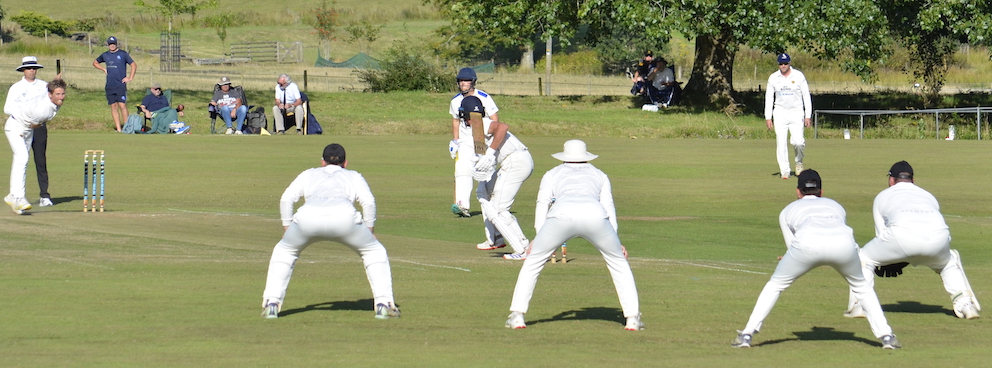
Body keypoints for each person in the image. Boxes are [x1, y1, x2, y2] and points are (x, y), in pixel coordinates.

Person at [732, 169, 900, 349]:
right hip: (843, 245)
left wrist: (795, 258)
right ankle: (887, 336)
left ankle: (747, 335)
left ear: (798, 192)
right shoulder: (836, 206)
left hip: (806, 246)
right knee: (862, 287)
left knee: (775, 286)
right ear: (821, 192)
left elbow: (792, 246)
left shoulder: (787, 210)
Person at [505, 140, 642, 330]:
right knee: (618, 262)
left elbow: (542, 203)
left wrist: (538, 236)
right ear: (585, 157)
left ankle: (517, 315)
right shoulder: (600, 175)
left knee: (533, 261)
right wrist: (616, 241)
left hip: (560, 216)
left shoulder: (552, 174)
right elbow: (609, 206)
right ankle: (633, 318)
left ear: (564, 156)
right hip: (595, 216)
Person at [261, 144, 400, 320]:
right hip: (345, 218)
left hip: (307, 218)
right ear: (345, 163)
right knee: (374, 251)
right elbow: (369, 202)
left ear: (322, 162)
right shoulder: (353, 175)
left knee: (285, 251)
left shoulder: (309, 173)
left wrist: (287, 228)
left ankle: (271, 304)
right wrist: (369, 230)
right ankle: (383, 305)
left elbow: (286, 199)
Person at [844, 161, 981, 320]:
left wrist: (895, 259)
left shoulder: (882, 196)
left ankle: (861, 306)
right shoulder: (928, 195)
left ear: (891, 180)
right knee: (948, 263)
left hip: (901, 238)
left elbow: (882, 235)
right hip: (939, 239)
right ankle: (965, 304)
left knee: (863, 258)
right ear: (913, 180)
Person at [461, 96, 533, 259]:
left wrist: (491, 154)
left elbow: (502, 127)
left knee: (499, 207)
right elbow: (483, 157)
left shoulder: (481, 122)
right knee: (483, 192)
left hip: (517, 162)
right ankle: (496, 237)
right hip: (510, 162)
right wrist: (480, 166)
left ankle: (522, 249)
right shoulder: (477, 128)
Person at [5, 78, 66, 215]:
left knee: (20, 161)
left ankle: (12, 196)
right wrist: (23, 132)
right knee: (23, 158)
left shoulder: (48, 94)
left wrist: (56, 81)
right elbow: (34, 125)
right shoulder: (42, 111)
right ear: (50, 95)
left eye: (62, 94)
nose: (61, 97)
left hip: (27, 129)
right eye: (57, 94)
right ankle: (19, 197)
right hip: (16, 127)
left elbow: (46, 87)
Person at [448, 67, 499, 218]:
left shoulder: (484, 97)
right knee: (462, 169)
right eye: (460, 81)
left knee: (485, 171)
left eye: (466, 81)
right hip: (465, 141)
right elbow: (455, 120)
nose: (463, 83)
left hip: (482, 138)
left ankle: (494, 204)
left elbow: (495, 119)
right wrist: (455, 141)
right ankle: (462, 205)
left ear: (473, 82)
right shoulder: (455, 100)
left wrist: (490, 139)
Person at [764, 53, 812, 179]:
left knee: (798, 142)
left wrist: (808, 115)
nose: (783, 66)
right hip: (780, 113)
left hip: (796, 112)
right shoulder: (773, 78)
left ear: (790, 63)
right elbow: (769, 98)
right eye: (781, 64)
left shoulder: (798, 76)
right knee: (781, 142)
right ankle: (784, 170)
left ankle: (799, 162)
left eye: (785, 63)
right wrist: (768, 117)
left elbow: (806, 96)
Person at [92, 36, 137, 133]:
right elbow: (95, 62)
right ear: (108, 45)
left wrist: (130, 78)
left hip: (120, 84)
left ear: (116, 44)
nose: (112, 46)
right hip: (110, 85)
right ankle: (119, 129)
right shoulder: (105, 55)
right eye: (110, 44)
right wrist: (103, 69)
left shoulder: (123, 54)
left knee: (122, 106)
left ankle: (126, 127)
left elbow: (133, 64)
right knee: (113, 106)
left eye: (113, 44)